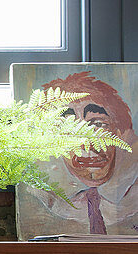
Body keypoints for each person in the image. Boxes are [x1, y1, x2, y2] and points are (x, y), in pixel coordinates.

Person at [23, 71, 138, 235]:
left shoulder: (133, 196)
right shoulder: (37, 196)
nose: (86, 143)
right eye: (67, 129)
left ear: (119, 133)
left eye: (98, 124)